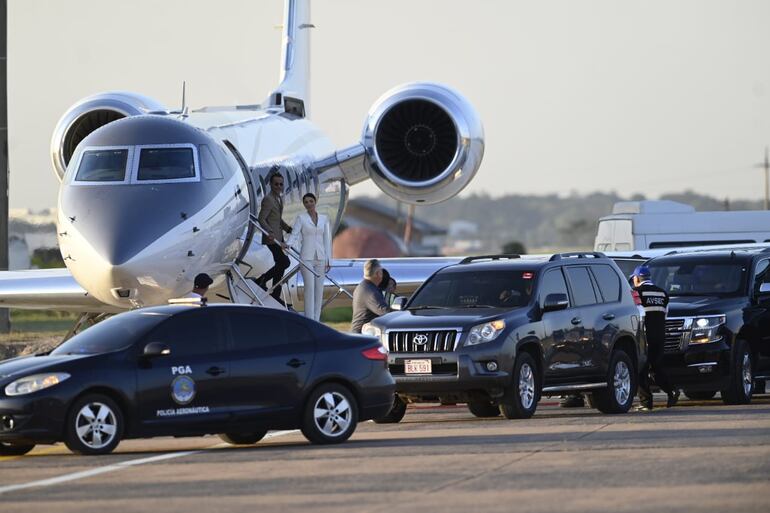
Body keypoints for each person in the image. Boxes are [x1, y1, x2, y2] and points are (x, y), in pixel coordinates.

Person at [633, 265, 679, 411]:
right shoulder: (663, 293)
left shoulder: (636, 293)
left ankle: (646, 403)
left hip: (644, 336)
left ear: (636, 278)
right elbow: (665, 315)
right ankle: (671, 390)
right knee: (657, 367)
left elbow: (637, 314)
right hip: (659, 335)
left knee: (641, 368)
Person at [286, 192, 332, 321]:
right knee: (309, 289)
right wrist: (287, 244)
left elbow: (327, 240)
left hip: (321, 258)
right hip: (306, 258)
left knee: (319, 291)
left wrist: (329, 259)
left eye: (311, 201)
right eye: (306, 202)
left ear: (315, 202)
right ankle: (309, 320)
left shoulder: (324, 218)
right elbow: (294, 234)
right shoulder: (301, 218)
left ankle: (316, 321)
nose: (308, 204)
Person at [256, 171, 292, 304]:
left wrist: (288, 229)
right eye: (276, 184)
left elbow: (277, 219)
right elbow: (261, 218)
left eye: (281, 184)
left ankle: (276, 294)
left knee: (281, 264)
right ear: (271, 184)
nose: (278, 186)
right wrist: (269, 232)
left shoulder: (279, 198)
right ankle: (262, 280)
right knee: (284, 262)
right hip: (272, 238)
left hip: (279, 236)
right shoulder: (268, 199)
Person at [351, 259, 392, 333]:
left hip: (365, 333)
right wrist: (402, 312)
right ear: (378, 273)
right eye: (381, 272)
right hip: (363, 336)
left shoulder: (364, 286)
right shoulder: (370, 291)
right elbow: (385, 312)